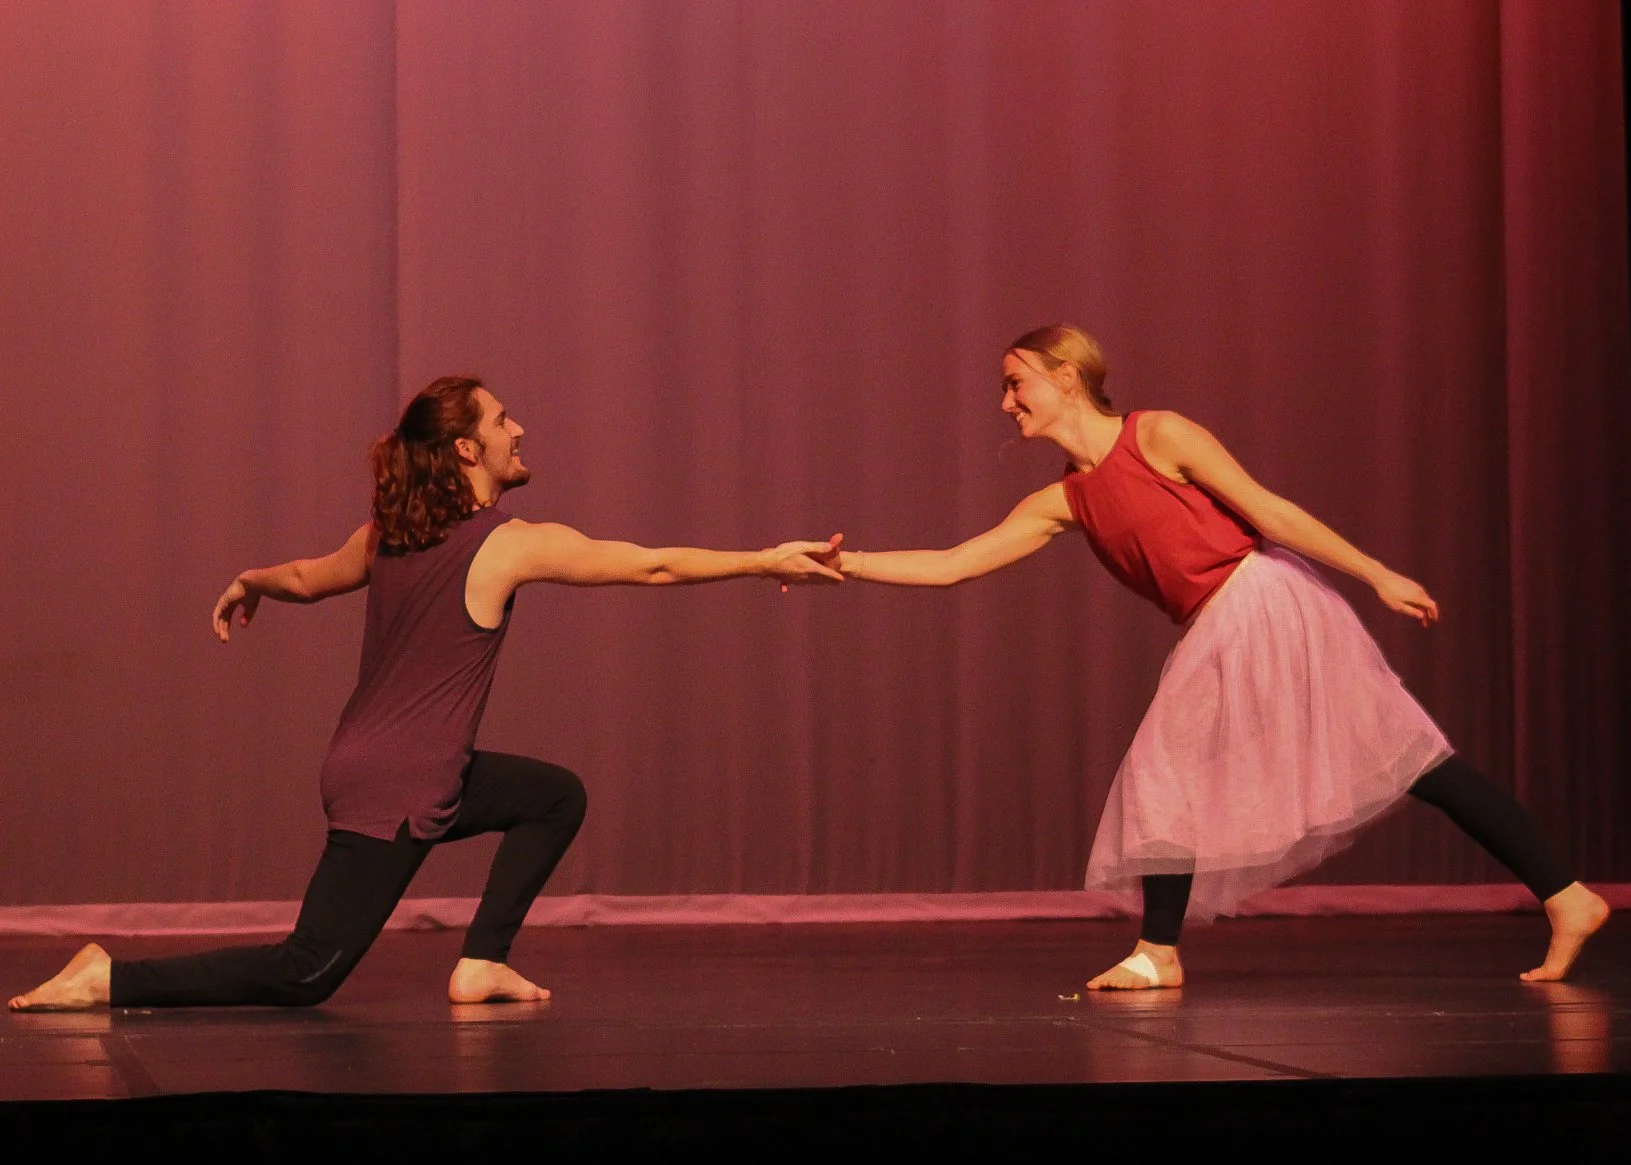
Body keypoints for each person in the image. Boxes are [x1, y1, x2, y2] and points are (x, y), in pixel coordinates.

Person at [10, 376, 842, 1011]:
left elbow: (309, 576)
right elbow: (649, 562)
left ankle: (482, 958)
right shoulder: (505, 545)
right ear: (468, 452)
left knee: (553, 795)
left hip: (395, 764)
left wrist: (249, 580)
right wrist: (764, 558)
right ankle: (109, 977)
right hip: (397, 783)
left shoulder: (392, 535)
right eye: (500, 419)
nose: (519, 428)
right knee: (307, 970)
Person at [833, 324, 1610, 990]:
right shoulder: (1063, 499)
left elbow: (1266, 508)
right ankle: (1567, 895)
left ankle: (1156, 952)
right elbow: (954, 562)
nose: (1005, 402)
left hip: (1263, 601)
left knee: (1192, 765)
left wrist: (1376, 573)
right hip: (1220, 621)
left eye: (1015, 383)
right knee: (1402, 762)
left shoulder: (1159, 433)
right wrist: (847, 564)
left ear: (1065, 376)